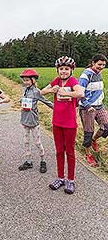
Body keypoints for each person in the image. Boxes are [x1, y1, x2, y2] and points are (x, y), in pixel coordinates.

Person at [41, 56, 84, 194]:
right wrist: (52, 90)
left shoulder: (73, 81)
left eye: (67, 69)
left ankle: (70, 180)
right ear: (57, 70)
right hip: (56, 122)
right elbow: (42, 91)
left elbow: (81, 93)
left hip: (70, 123)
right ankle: (60, 178)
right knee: (59, 151)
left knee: (69, 151)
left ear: (71, 70)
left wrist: (67, 92)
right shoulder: (57, 81)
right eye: (61, 69)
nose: (63, 71)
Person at [18, 69, 53, 173]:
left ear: (33, 80)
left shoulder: (37, 92)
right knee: (26, 142)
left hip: (34, 121)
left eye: (27, 80)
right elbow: (22, 100)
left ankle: (43, 161)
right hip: (24, 120)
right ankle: (29, 162)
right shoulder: (24, 89)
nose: (25, 82)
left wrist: (59, 109)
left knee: (37, 142)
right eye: (24, 80)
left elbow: (47, 102)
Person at [79, 54, 108, 167]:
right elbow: (80, 93)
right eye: (99, 64)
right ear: (93, 63)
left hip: (99, 106)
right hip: (88, 108)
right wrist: (87, 105)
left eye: (103, 65)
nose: (101, 67)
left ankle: (94, 140)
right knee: (88, 131)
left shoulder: (98, 74)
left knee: (106, 127)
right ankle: (88, 154)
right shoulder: (86, 75)